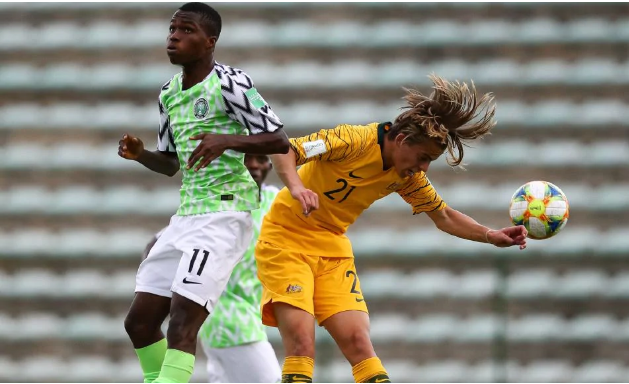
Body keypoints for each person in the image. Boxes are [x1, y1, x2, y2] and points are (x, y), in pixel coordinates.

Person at [195, 75, 528, 383]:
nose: (423, 167)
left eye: (429, 162)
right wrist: (296, 188)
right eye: (423, 157)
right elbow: (286, 149)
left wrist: (489, 235)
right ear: (400, 139)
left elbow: (443, 216)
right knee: (301, 342)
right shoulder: (352, 140)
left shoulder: (406, 176)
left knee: (358, 342)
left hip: (332, 247)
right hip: (285, 239)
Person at [117, 2, 289, 383]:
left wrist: (225, 140)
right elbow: (170, 163)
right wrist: (141, 154)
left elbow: (279, 139)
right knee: (139, 323)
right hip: (187, 216)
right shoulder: (169, 94)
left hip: (225, 215)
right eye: (172, 29)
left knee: (182, 324)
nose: (174, 36)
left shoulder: (230, 82)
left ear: (210, 42)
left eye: (187, 30)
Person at [142, 154, 282, 383]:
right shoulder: (218, 201)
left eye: (262, 158)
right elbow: (155, 245)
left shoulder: (274, 200)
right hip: (229, 320)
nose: (255, 165)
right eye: (248, 159)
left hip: (244, 316)